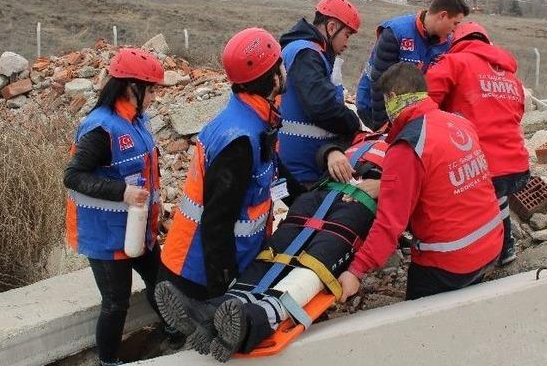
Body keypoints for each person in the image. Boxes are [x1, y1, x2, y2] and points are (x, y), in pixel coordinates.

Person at [156, 134, 387, 362]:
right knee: (274, 253)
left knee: (318, 259)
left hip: (359, 206)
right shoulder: (362, 136)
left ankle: (258, 319)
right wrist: (331, 153)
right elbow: (323, 149)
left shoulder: (405, 149)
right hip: (318, 195)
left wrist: (384, 185)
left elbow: (414, 188)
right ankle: (212, 311)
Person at [157, 28, 298, 311]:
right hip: (199, 273)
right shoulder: (240, 141)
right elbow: (217, 222)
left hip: (204, 261)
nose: (286, 68)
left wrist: (308, 199)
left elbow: (274, 173)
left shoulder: (251, 118)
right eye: (280, 64)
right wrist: (225, 287)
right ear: (272, 79)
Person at [339, 63, 505, 301]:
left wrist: (356, 270)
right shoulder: (458, 122)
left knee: (420, 320)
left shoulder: (408, 145)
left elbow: (390, 224)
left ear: (393, 97)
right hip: (490, 243)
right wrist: (389, 185)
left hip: (450, 262)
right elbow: (443, 180)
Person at [63, 47, 173, 366]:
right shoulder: (101, 128)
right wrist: (121, 192)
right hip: (107, 237)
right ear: (130, 87)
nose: (154, 97)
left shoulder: (139, 120)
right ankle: (108, 361)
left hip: (139, 228)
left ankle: (172, 330)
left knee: (162, 282)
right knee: (116, 303)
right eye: (150, 90)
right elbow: (73, 176)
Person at [425, 21, 529, 266]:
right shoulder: (510, 77)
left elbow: (423, 100)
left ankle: (472, 259)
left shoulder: (455, 62)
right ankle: (506, 247)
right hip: (517, 167)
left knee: (468, 201)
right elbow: (516, 115)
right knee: (495, 193)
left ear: (457, 42)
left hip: (482, 168)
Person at [278, 0, 363, 187]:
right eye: (346, 35)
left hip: (306, 164)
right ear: (332, 27)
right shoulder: (306, 54)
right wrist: (353, 124)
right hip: (300, 171)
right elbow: (322, 106)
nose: (347, 43)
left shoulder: (312, 53)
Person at [355, 0, 470, 131]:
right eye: (455, 23)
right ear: (443, 16)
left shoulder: (446, 44)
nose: (455, 29)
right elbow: (379, 83)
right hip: (374, 107)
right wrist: (383, 129)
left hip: (409, 112)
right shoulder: (396, 33)